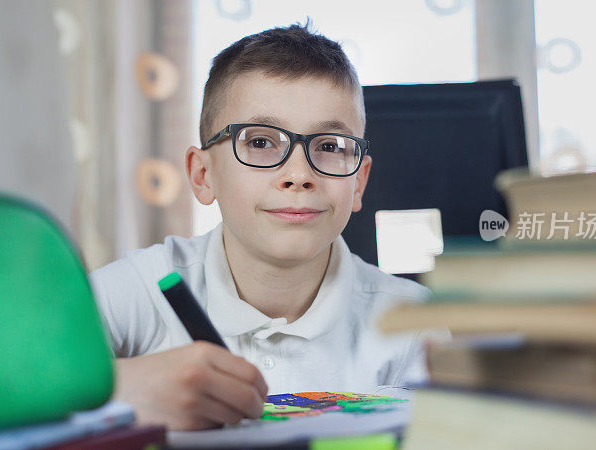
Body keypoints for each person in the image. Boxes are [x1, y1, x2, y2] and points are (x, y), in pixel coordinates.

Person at [89, 23, 435, 431]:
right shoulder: (144, 288)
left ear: (358, 182)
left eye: (329, 147)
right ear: (203, 175)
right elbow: (0, 377)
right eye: (259, 142)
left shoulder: (417, 323)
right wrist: (119, 387)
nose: (299, 175)